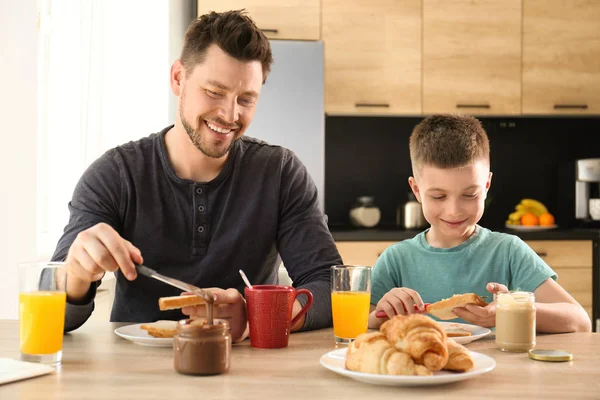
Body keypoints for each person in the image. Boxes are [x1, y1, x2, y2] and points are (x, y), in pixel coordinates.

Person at [52, 10, 342, 342]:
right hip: (135, 376)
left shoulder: (280, 173)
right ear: (178, 78)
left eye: (246, 99)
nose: (230, 115)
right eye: (215, 92)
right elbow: (55, 314)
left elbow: (330, 286)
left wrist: (256, 314)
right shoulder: (115, 174)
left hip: (246, 371)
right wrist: (75, 275)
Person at [368, 114, 591, 333]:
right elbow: (359, 325)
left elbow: (580, 321)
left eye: (469, 194)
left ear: (486, 185)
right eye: (438, 197)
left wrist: (512, 309)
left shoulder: (508, 251)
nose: (454, 211)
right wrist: (380, 316)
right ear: (416, 190)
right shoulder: (395, 260)